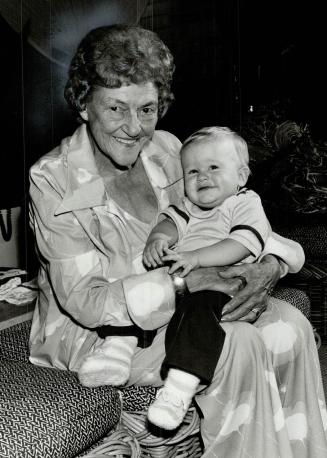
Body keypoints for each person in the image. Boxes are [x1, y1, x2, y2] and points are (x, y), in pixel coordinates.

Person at [28, 24, 327, 457]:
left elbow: (235, 218)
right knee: (236, 345)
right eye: (116, 108)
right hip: (105, 334)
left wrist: (272, 263)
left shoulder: (167, 150)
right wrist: (187, 281)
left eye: (147, 109)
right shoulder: (52, 178)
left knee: (291, 325)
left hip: (190, 309)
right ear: (83, 104)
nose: (134, 128)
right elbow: (86, 302)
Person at [142, 126, 271, 430]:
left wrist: (196, 258)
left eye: (214, 167)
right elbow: (169, 226)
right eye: (192, 171)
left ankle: (180, 385)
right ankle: (118, 348)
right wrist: (157, 241)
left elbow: (242, 244)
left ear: (240, 176)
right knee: (139, 296)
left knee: (198, 311)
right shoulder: (189, 207)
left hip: (224, 285)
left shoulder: (245, 202)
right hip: (183, 279)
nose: (201, 176)